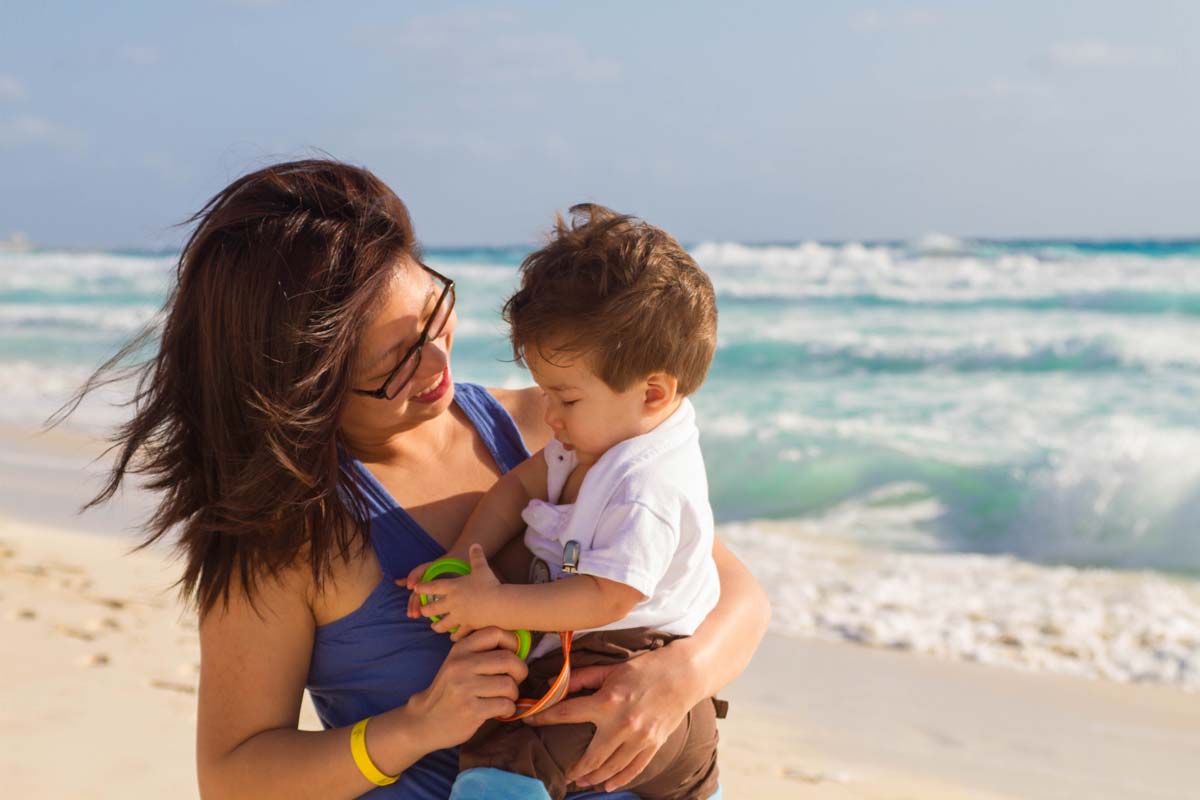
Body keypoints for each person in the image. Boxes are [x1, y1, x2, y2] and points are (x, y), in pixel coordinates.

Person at [65, 159, 770, 799]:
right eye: (396, 364)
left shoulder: (550, 432)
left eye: (434, 313)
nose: (439, 366)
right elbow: (234, 777)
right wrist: (415, 728)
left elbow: (732, 590)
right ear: (301, 383)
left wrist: (681, 677)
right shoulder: (286, 534)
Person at [405, 205, 723, 800]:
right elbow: (518, 487)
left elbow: (610, 596)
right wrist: (461, 554)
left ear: (653, 392)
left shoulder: (646, 481)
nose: (548, 415)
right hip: (607, 659)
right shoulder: (600, 437)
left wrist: (496, 603)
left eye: (566, 398)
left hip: (630, 655)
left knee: (505, 758)